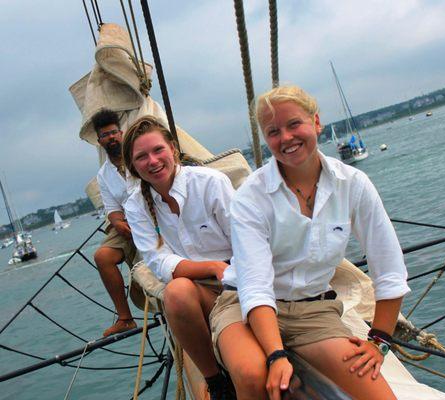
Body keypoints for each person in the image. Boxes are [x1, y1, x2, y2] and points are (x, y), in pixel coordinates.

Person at [210, 85, 410, 400]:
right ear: (265, 139)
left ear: (316, 122)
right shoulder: (252, 195)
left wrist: (379, 341)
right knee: (252, 375)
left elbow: (389, 269)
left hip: (313, 310)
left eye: (294, 124)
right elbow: (255, 285)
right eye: (273, 131)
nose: (286, 138)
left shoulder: (352, 185)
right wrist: (275, 355)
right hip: (245, 306)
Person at [122, 116, 236, 400]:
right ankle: (217, 381)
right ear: (133, 167)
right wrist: (211, 266)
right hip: (200, 286)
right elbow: (160, 263)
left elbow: (246, 241)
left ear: (173, 149)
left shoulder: (210, 183)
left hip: (237, 281)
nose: (152, 161)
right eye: (141, 157)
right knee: (175, 293)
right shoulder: (136, 205)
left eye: (158, 150)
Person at [92, 109, 139, 337]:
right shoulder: (104, 175)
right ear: (99, 141)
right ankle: (125, 318)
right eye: (104, 135)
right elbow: (111, 208)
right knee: (102, 257)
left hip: (151, 215)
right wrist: (118, 223)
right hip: (127, 223)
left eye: (113, 133)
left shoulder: (138, 154)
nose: (110, 138)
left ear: (122, 133)